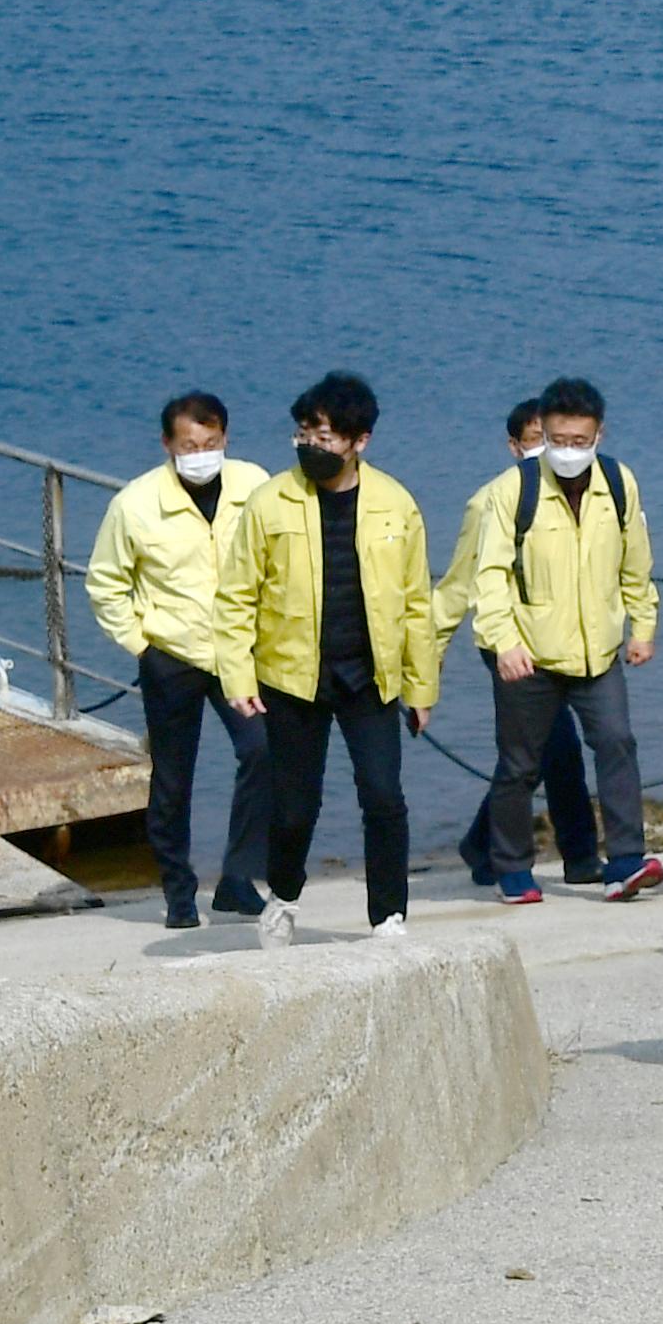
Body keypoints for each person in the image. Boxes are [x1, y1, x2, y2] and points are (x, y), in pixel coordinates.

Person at [216, 372, 438, 947]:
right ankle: (283, 897)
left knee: (384, 797)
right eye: (304, 433)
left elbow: (417, 603)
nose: (312, 445)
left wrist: (421, 687)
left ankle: (388, 915)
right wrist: (237, 676)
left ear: (359, 440)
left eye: (325, 435)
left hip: (371, 676)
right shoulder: (271, 501)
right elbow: (236, 594)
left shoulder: (395, 503)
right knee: (293, 808)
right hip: (292, 677)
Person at [470, 378, 663, 905]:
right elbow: (488, 576)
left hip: (598, 652)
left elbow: (636, 564)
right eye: (559, 439)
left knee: (617, 743)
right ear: (544, 435)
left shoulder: (619, 483)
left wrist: (642, 627)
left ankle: (625, 861)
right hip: (529, 655)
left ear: (599, 434)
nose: (569, 451)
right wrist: (503, 641)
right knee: (519, 764)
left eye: (580, 440)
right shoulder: (514, 490)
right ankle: (511, 867)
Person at [85, 392, 273, 927]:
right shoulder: (135, 503)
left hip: (240, 650)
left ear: (226, 440)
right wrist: (140, 642)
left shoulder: (253, 484)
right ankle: (178, 891)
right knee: (173, 778)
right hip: (170, 653)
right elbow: (105, 582)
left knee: (263, 751)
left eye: (211, 443)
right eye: (189, 445)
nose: (200, 453)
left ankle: (238, 877)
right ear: (167, 444)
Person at [435, 399, 602, 887]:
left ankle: (485, 843)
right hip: (505, 639)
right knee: (552, 748)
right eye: (532, 440)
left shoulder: (584, 490)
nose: (543, 449)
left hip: (562, 639)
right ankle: (577, 856)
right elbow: (460, 582)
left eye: (547, 438)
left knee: (541, 750)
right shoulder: (491, 499)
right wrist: (428, 653)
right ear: (514, 447)